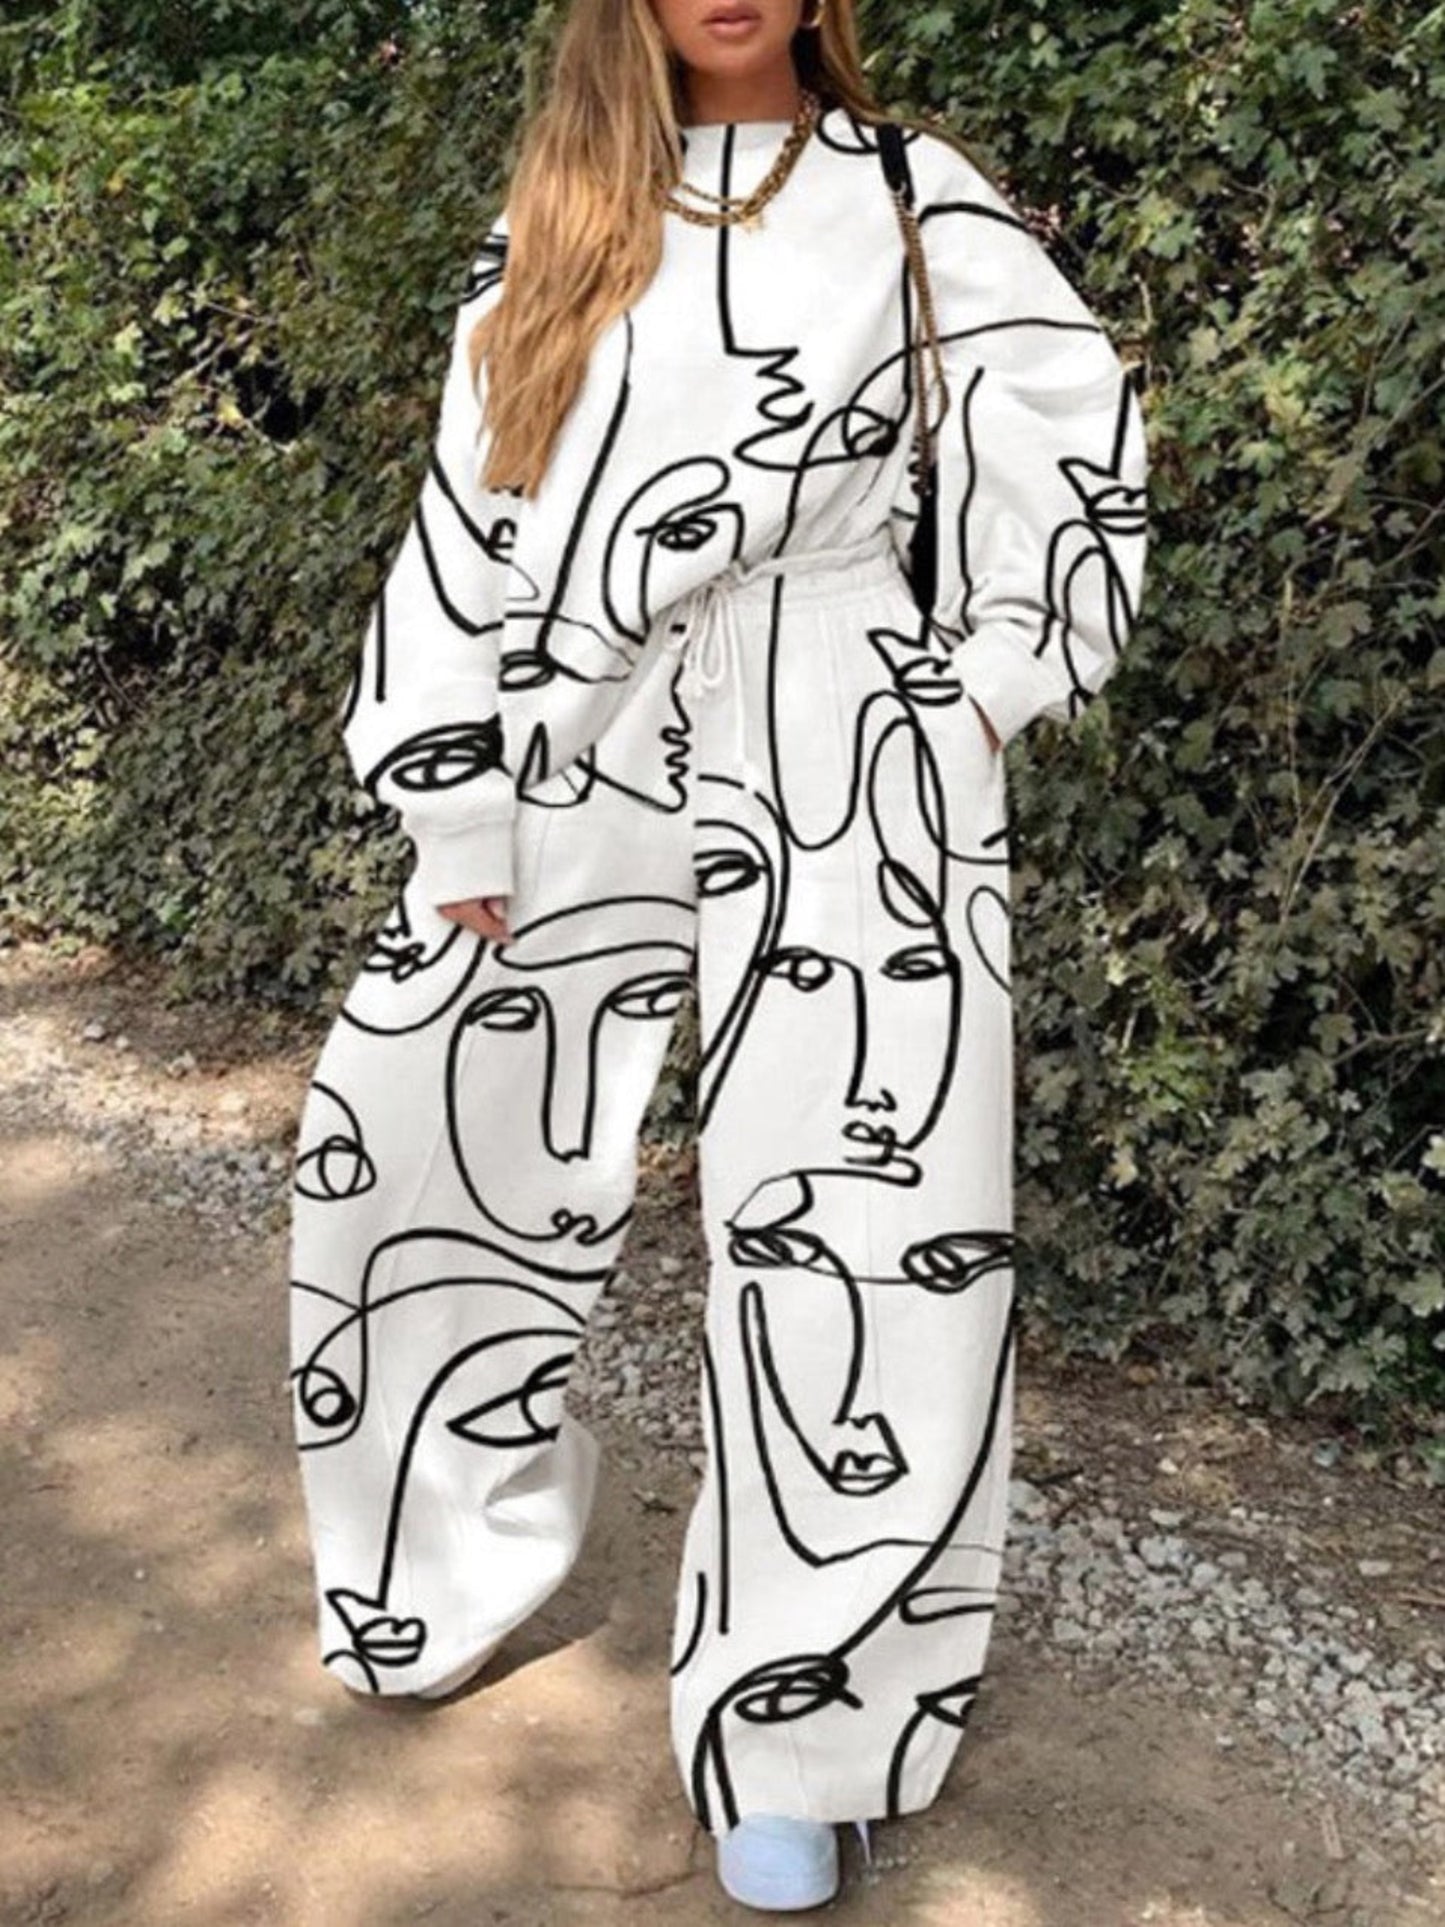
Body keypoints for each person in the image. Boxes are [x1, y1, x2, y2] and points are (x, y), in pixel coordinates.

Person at [287, 0, 1149, 1910]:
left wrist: (983, 688)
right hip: (573, 713)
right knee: (422, 1136)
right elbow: (471, 504)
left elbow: (1068, 433)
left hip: (845, 707)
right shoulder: (562, 207)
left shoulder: (912, 193)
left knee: (864, 1213)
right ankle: (427, 1571)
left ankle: (798, 1727)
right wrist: (454, 796)